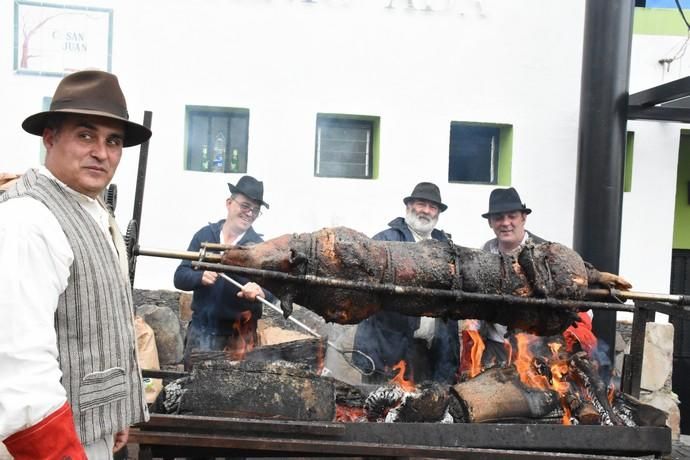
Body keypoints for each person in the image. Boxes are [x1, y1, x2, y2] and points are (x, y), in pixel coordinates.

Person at [0, 70, 151, 459]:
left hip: (85, 435)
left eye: (113, 141)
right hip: (42, 444)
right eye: (86, 135)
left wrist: (110, 415)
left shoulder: (90, 210)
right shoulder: (28, 221)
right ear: (50, 137)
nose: (101, 152)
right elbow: (17, 365)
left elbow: (92, 324)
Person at [353, 182, 460, 384]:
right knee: (382, 408)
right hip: (388, 349)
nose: (426, 211)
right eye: (421, 204)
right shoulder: (385, 240)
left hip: (429, 352)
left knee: (422, 410)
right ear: (409, 206)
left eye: (433, 207)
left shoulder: (446, 246)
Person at [174, 175, 271, 371]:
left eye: (255, 210)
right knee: (191, 391)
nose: (249, 213)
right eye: (245, 206)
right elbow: (179, 277)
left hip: (239, 337)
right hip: (200, 332)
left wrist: (260, 290)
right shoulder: (204, 236)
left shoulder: (260, 248)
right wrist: (199, 277)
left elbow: (274, 290)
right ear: (229, 203)